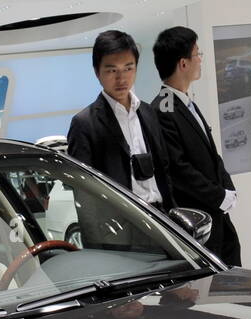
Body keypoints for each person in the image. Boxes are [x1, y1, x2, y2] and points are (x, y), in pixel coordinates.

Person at [151, 26, 240, 265]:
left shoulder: (185, 101)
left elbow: (210, 153)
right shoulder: (164, 107)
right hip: (198, 220)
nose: (200, 60)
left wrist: (227, 188)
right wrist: (219, 195)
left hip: (217, 213)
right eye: (197, 54)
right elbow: (179, 170)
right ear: (183, 63)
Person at [68, 30, 173, 211]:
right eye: (112, 70)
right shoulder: (84, 123)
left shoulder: (148, 112)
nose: (121, 78)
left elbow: (164, 169)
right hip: (122, 224)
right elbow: (82, 189)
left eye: (128, 68)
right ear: (97, 72)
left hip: (161, 218)